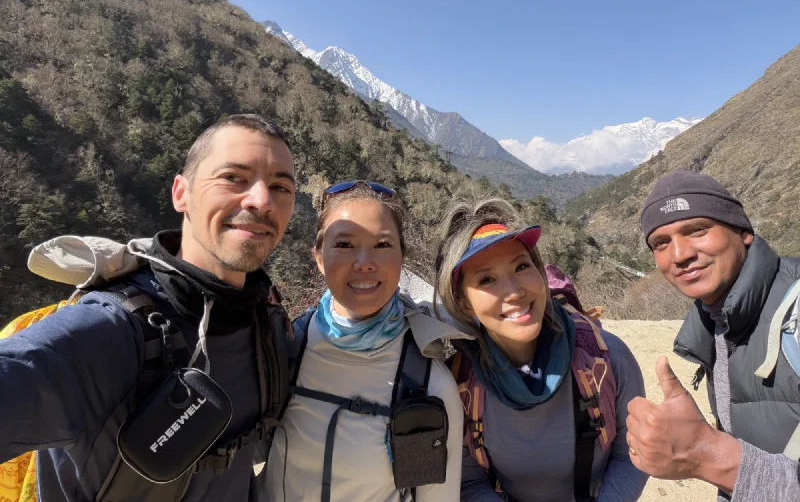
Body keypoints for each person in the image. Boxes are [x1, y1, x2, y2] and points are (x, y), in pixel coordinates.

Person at [0, 114, 296, 501]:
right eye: (233, 178)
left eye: (279, 186)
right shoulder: (109, 330)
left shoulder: (268, 329)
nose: (261, 200)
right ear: (181, 193)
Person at [434, 198, 648, 502]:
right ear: (465, 304)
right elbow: (470, 481)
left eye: (522, 266)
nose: (514, 291)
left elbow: (632, 455)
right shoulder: (461, 384)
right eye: (487, 279)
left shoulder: (605, 358)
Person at [267, 181, 464, 501]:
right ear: (318, 257)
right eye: (344, 245)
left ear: (402, 258)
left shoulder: (426, 386)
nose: (364, 262)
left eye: (383, 245)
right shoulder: (285, 351)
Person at [628, 170, 800, 501]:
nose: (679, 255)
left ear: (743, 231)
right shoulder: (718, 322)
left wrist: (708, 456)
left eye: (697, 230)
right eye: (660, 243)